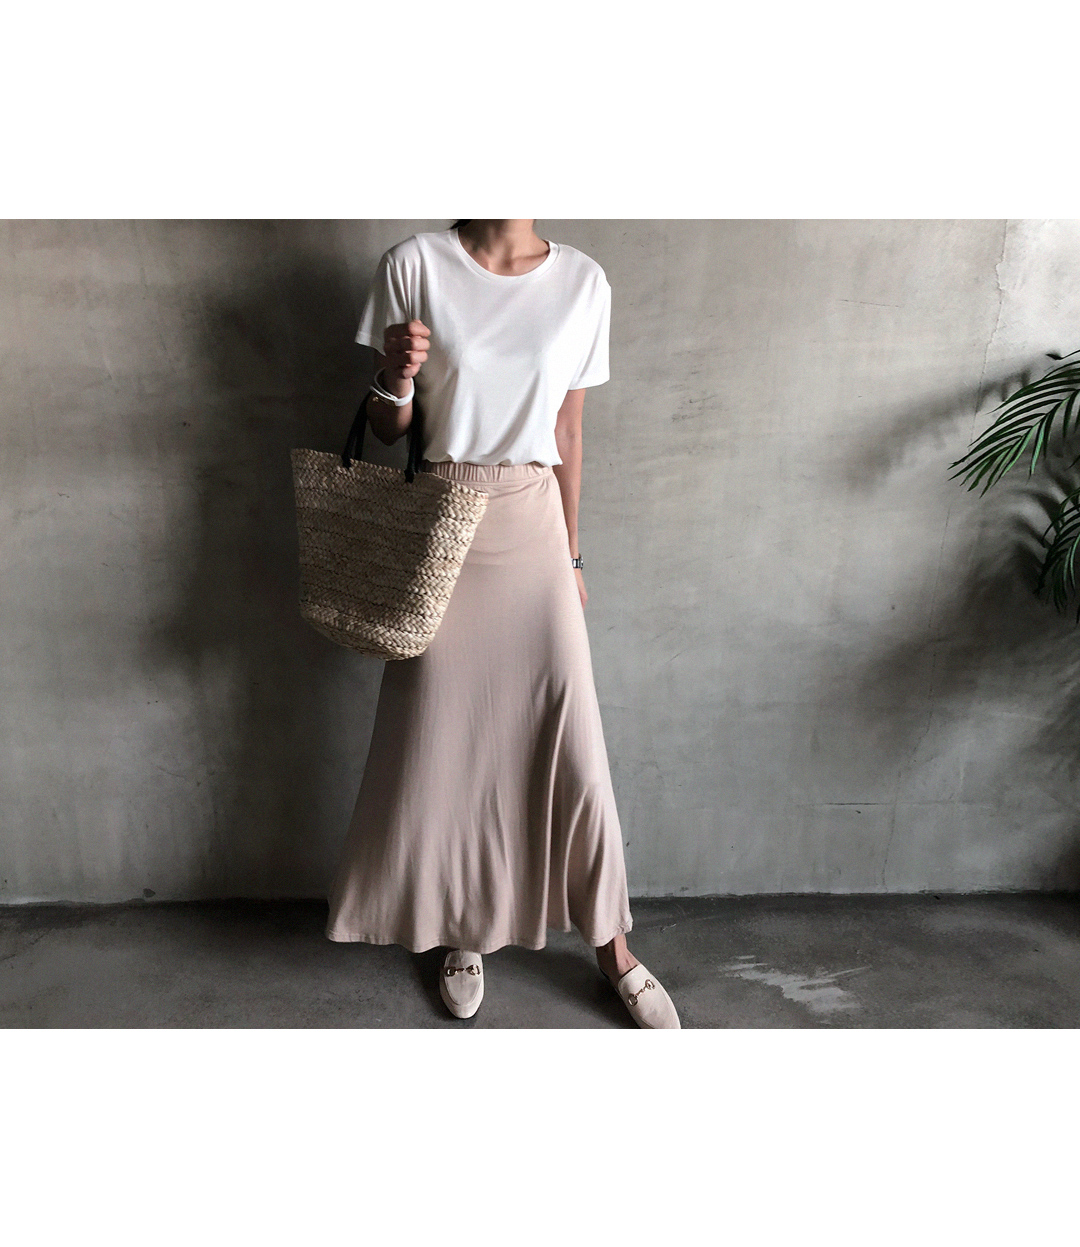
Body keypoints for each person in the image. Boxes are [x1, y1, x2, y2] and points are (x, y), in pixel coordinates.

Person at [324, 220, 680, 1028]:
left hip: (534, 520)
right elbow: (388, 428)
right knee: (448, 742)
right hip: (442, 522)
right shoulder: (414, 265)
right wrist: (395, 375)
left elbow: (568, 431)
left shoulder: (584, 282)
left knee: (574, 743)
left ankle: (614, 949)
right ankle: (464, 928)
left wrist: (574, 554)